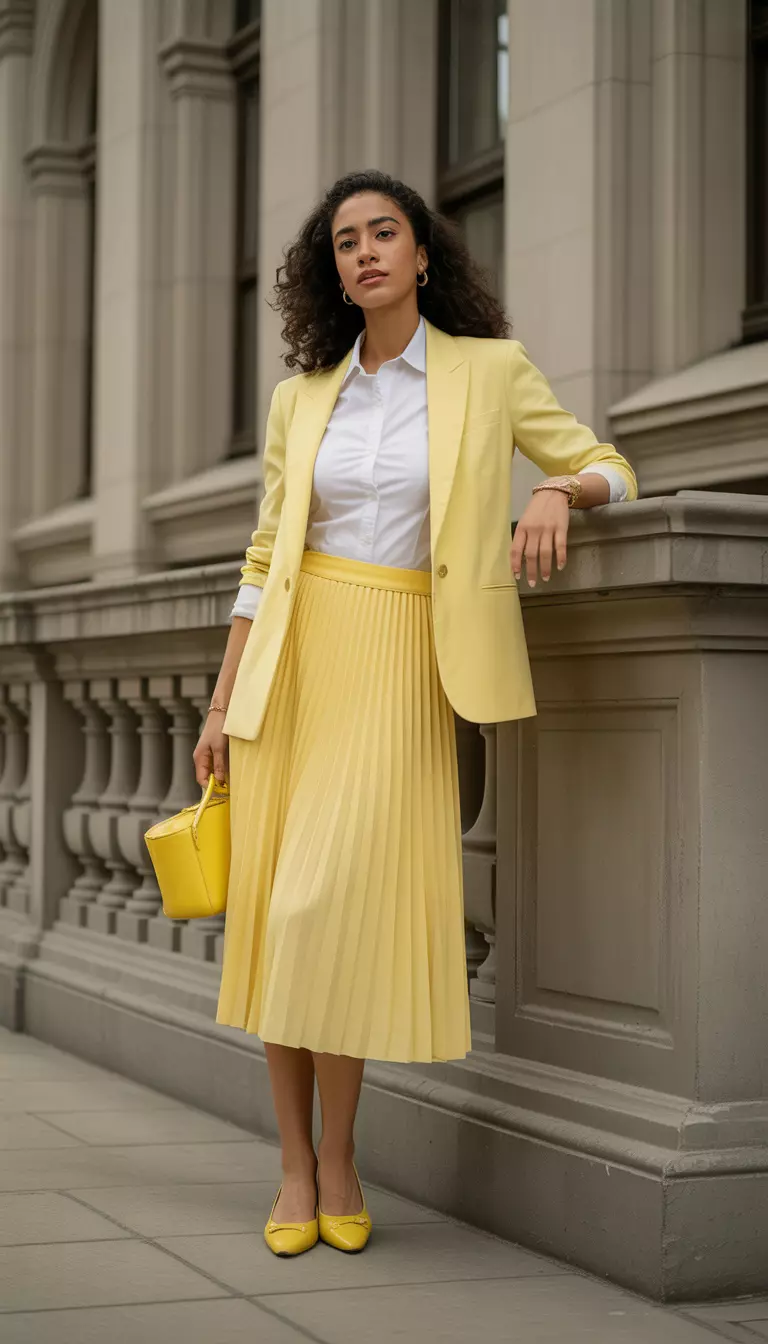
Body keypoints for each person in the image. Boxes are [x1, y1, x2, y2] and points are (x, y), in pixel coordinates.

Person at [193, 169, 637, 1259]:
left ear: (424, 253)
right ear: (332, 272)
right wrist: (221, 697)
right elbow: (264, 556)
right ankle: (300, 1170)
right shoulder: (303, 399)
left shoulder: (490, 373)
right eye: (344, 241)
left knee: (326, 917)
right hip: (293, 667)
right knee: (282, 919)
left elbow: (610, 466)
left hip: (402, 663)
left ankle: (339, 1156)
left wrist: (551, 491)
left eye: (383, 233)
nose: (365, 253)